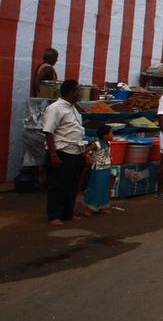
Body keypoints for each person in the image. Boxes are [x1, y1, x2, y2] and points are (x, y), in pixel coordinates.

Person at [42, 80, 86, 226]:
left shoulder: (73, 108)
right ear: (72, 92)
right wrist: (53, 155)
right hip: (61, 152)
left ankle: (68, 213)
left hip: (75, 152)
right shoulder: (55, 108)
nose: (80, 93)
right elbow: (49, 132)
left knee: (71, 185)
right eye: (78, 91)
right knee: (57, 185)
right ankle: (54, 215)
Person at [83, 125, 113, 216]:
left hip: (106, 168)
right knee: (95, 188)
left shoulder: (108, 144)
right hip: (98, 169)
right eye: (111, 133)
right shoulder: (97, 144)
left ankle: (102, 206)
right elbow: (86, 150)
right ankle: (89, 208)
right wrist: (88, 157)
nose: (112, 135)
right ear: (105, 135)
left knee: (104, 188)